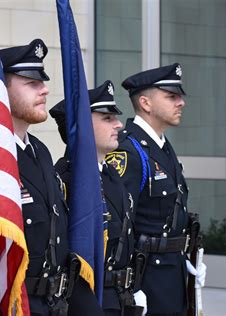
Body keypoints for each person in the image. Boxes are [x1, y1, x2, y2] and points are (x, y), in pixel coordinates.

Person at [0, 39, 103, 316]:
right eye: (31, 82)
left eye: (42, 81)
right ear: (0, 89)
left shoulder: (40, 152)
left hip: (58, 301)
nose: (45, 89)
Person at [105, 64, 206, 316]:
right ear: (146, 103)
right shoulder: (129, 150)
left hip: (172, 273)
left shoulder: (162, 146)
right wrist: (129, 287)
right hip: (147, 277)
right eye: (171, 96)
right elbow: (120, 225)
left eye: (179, 96)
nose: (181, 102)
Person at [50, 80, 147, 316]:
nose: (119, 125)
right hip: (91, 302)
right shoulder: (69, 181)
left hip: (119, 299)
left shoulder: (110, 174)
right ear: (80, 126)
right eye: (107, 118)